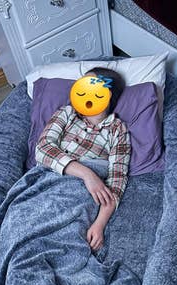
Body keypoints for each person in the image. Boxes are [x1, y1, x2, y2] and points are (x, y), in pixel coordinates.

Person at [35, 67, 130, 252]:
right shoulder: (67, 114)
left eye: (87, 85)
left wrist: (99, 225)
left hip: (80, 198)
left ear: (107, 93)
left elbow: (117, 181)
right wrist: (88, 175)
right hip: (49, 182)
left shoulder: (117, 130)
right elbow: (43, 148)